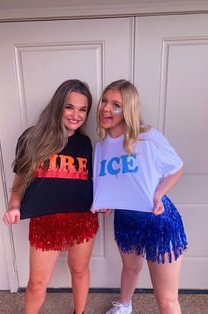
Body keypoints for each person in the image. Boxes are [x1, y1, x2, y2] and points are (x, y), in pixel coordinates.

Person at [91, 79, 188, 314]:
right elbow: (117, 182)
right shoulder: (101, 146)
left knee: (166, 299)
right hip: (126, 219)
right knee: (130, 268)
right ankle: (124, 306)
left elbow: (177, 167)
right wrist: (107, 203)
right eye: (104, 101)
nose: (106, 108)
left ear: (128, 110)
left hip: (158, 220)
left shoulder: (147, 137)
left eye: (116, 105)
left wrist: (158, 194)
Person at [3, 79, 98, 314]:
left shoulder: (85, 143)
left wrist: (103, 202)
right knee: (37, 282)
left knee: (79, 270)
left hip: (82, 219)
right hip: (46, 221)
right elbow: (19, 181)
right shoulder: (32, 138)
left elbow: (90, 182)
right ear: (58, 106)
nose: (76, 115)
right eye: (69, 107)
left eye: (82, 109)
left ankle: (80, 312)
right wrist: (14, 205)